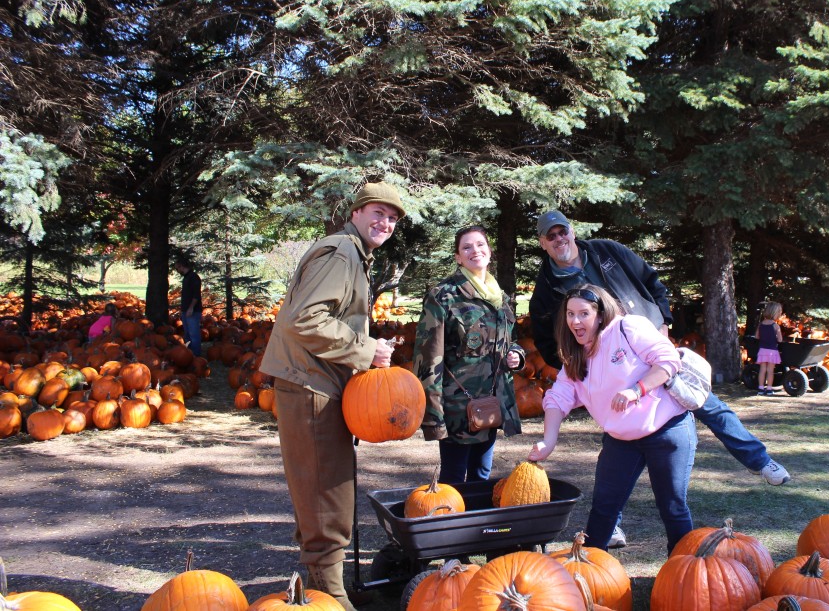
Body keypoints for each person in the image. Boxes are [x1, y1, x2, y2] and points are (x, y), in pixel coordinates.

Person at [528, 210, 789, 547]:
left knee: (706, 406)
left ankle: (759, 460)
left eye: (562, 232)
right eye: (551, 236)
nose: (559, 239)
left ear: (572, 232)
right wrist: (583, 366)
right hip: (603, 357)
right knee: (620, 442)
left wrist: (662, 321)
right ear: (543, 243)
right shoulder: (547, 289)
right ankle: (613, 526)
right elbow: (549, 342)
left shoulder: (606, 251)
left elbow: (650, 279)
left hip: (648, 348)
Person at [258, 182, 405, 610]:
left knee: (321, 489)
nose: (386, 223)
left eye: (393, 218)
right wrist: (365, 350)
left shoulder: (353, 254)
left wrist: (364, 347)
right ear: (357, 212)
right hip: (310, 387)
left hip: (316, 383)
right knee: (326, 493)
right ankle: (331, 596)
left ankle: (322, 585)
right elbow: (305, 319)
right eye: (378, 213)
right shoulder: (341, 252)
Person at [528, 285, 697, 555]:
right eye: (570, 314)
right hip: (622, 440)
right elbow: (558, 398)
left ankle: (686, 570)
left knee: (672, 506)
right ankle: (589, 568)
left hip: (667, 430)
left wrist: (636, 389)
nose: (575, 321)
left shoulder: (628, 329)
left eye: (583, 313)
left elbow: (667, 360)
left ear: (600, 313)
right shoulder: (575, 355)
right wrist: (548, 441)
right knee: (605, 507)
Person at [413, 225, 526, 483]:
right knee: (454, 479)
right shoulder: (443, 296)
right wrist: (434, 417)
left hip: (491, 405)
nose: (475, 250)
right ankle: (452, 524)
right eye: (466, 247)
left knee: (482, 476)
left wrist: (517, 357)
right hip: (458, 410)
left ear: (489, 251)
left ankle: (478, 524)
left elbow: (512, 342)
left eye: (480, 245)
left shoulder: (501, 298)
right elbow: (428, 359)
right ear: (458, 257)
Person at [174, 258, 203, 357]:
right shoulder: (186, 277)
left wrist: (191, 308)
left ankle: (196, 356)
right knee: (187, 335)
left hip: (193, 311)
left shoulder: (193, 277)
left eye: (177, 268)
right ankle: (189, 354)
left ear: (181, 266)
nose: (177, 271)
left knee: (194, 334)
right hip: (185, 310)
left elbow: (196, 295)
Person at [756, 301, 784, 395]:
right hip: (772, 351)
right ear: (775, 313)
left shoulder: (761, 324)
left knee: (762, 369)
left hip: (762, 350)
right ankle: (769, 389)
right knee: (770, 370)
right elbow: (780, 340)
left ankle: (760, 388)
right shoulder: (775, 326)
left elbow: (757, 337)